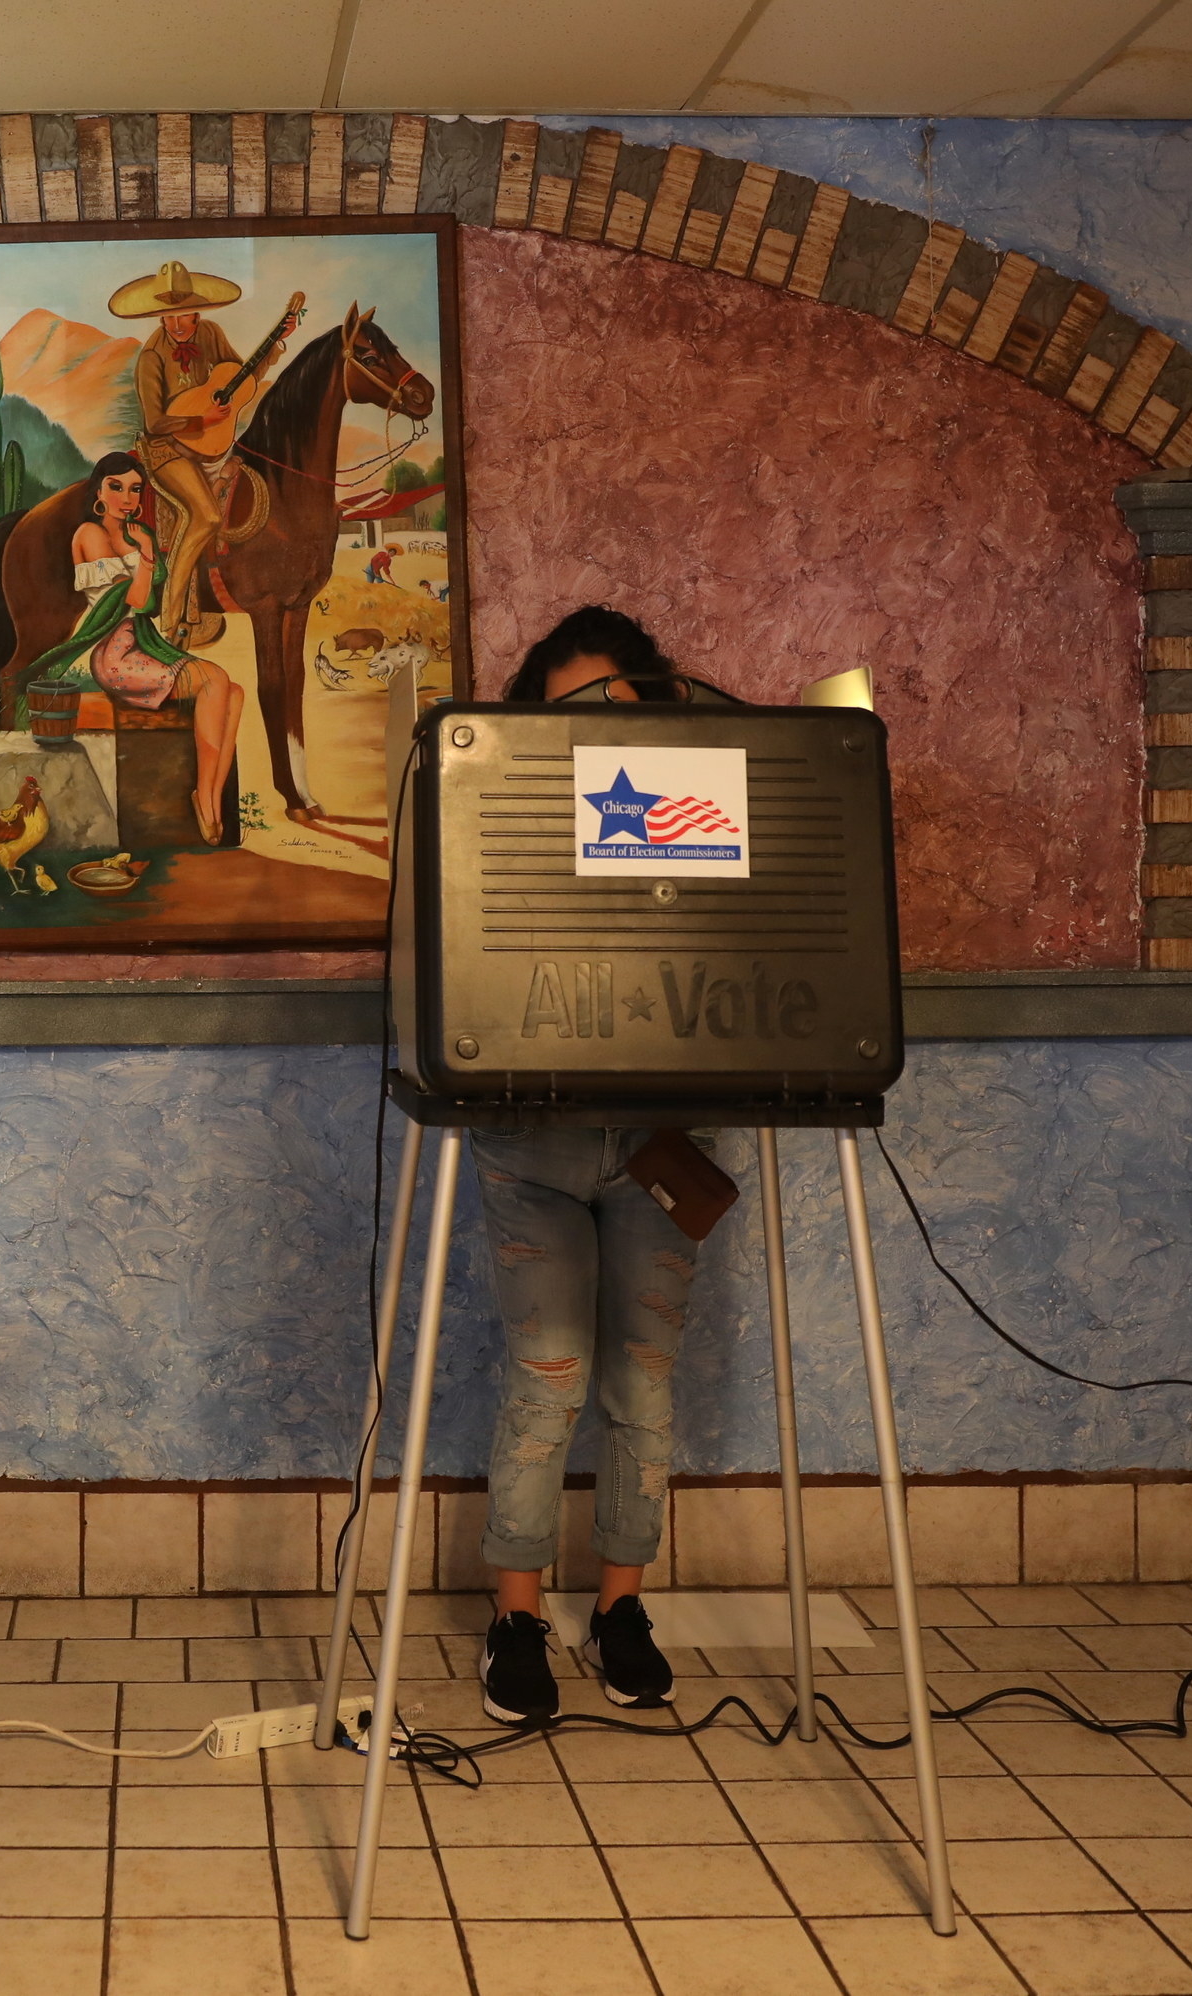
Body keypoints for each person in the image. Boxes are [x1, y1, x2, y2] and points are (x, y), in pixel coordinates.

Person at [474, 606, 736, 1724]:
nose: (588, 739)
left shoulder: (705, 823)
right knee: (549, 1382)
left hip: (656, 1139)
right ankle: (517, 1619)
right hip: (530, 1144)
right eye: (561, 719)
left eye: (609, 710)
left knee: (642, 1385)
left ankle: (621, 1608)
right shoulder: (493, 823)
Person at [26, 453, 247, 843]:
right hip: (116, 655)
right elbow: (135, 599)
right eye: (116, 487)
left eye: (135, 489)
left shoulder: (136, 532)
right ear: (98, 490)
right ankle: (208, 803)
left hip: (147, 644)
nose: (127, 497)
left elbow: (156, 602)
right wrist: (147, 552)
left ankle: (209, 795)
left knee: (236, 693)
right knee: (216, 680)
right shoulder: (89, 535)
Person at [115, 259, 286, 648]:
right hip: (165, 450)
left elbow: (239, 381)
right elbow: (156, 422)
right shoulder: (150, 358)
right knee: (207, 515)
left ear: (198, 312)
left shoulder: (211, 334)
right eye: (168, 317)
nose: (176, 325)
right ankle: (171, 623)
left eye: (185, 316)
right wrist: (199, 419)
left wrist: (274, 347)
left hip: (212, 445)